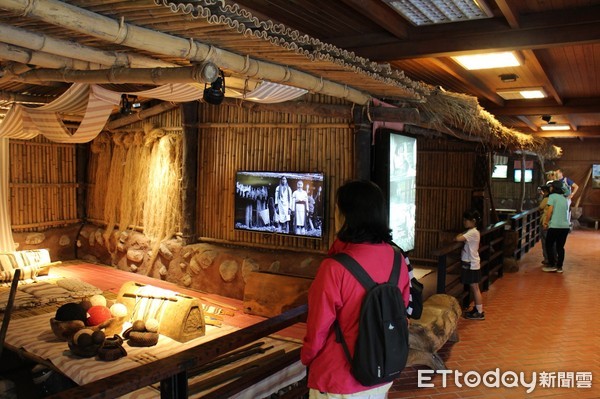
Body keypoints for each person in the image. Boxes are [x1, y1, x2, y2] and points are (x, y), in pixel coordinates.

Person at [301, 180, 411, 398]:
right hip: (381, 371)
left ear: (347, 216)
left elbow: (317, 328)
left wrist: (307, 357)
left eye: (337, 210)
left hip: (339, 379)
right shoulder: (397, 259)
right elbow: (402, 309)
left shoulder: (334, 268)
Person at [455, 209, 484, 320]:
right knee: (474, 287)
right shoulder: (473, 232)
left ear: (473, 221)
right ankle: (478, 309)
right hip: (472, 263)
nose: (464, 222)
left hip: (471, 264)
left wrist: (461, 234)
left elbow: (457, 238)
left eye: (466, 220)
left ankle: (479, 311)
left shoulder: (472, 232)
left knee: (475, 287)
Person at [542, 180, 571, 273]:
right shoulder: (564, 198)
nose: (550, 188)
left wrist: (546, 222)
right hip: (565, 227)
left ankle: (551, 265)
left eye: (551, 186)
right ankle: (559, 267)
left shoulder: (552, 196)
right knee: (560, 247)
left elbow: (550, 211)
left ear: (554, 188)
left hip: (554, 225)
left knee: (548, 245)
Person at [537, 185, 552, 265]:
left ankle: (547, 259)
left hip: (545, 222)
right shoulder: (556, 198)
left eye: (542, 191)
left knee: (545, 241)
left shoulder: (546, 199)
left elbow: (540, 207)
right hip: (553, 223)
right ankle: (552, 258)